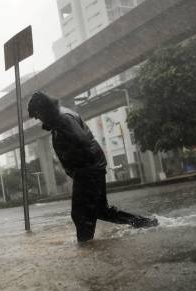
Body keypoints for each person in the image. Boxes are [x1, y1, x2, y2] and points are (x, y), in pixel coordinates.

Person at [27, 91, 158, 242]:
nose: (38, 118)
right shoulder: (60, 117)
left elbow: (81, 140)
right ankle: (146, 223)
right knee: (101, 211)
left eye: (37, 114)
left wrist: (72, 163)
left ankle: (85, 247)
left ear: (44, 109)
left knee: (80, 213)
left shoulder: (62, 119)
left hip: (87, 170)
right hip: (92, 166)